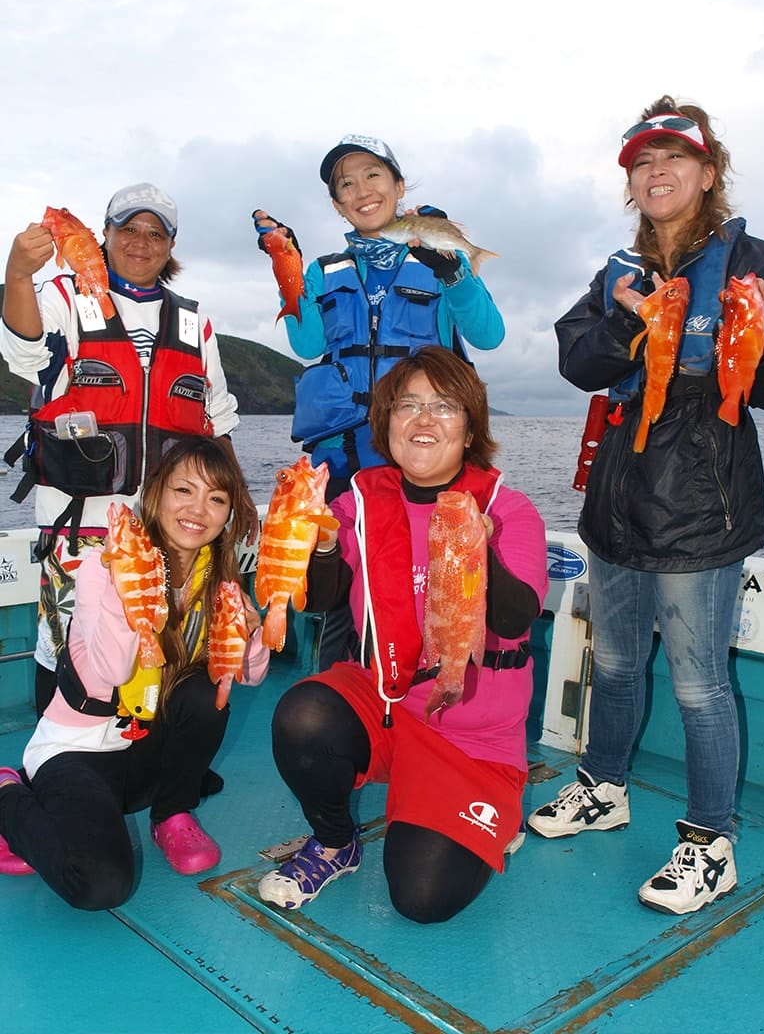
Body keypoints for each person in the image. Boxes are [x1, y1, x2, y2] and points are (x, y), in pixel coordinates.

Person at [527, 95, 764, 916]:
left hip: (703, 502)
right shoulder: (617, 275)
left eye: (672, 158)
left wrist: (758, 337)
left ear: (707, 173)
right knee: (619, 661)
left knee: (701, 684)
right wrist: (626, 321)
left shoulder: (754, 264)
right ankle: (603, 786)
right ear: (630, 183)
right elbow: (577, 360)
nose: (654, 171)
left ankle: (710, 842)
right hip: (617, 497)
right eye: (640, 161)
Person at [257, 347, 547, 923]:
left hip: (472, 736)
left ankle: (487, 809)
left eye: (443, 406)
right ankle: (337, 844)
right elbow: (317, 597)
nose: (422, 419)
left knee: (422, 898)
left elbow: (514, 620)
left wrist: (479, 546)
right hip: (388, 706)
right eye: (407, 405)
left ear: (470, 431)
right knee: (304, 713)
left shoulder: (509, 511)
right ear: (385, 425)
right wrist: (313, 540)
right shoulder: (356, 504)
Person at [1, 183, 256, 721]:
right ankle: (56, 758)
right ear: (106, 235)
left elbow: (219, 415)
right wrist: (18, 273)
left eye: (155, 233)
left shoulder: (195, 322)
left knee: (162, 647)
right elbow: (23, 351)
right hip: (80, 524)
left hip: (171, 531)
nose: (142, 242)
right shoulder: (64, 297)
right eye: (129, 229)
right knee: (69, 647)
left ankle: (152, 774)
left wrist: (240, 502)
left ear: (170, 247)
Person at [254, 136, 505, 666]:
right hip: (343, 460)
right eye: (346, 183)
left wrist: (455, 271)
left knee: (420, 584)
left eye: (373, 176)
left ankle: (421, 696)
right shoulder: (325, 270)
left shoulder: (438, 254)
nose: (361, 190)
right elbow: (307, 345)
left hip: (420, 458)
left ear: (398, 186)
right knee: (343, 592)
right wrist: (290, 273)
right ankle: (343, 704)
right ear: (336, 203)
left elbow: (488, 335)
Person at [0, 436, 269, 908]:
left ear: (229, 514)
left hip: (143, 751)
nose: (198, 509)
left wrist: (251, 634)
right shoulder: (100, 570)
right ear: (156, 492)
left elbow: (245, 676)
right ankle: (9, 794)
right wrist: (132, 599)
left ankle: (171, 815)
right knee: (101, 884)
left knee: (208, 693)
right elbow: (111, 667)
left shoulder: (218, 581)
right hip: (80, 748)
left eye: (217, 498)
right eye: (184, 490)